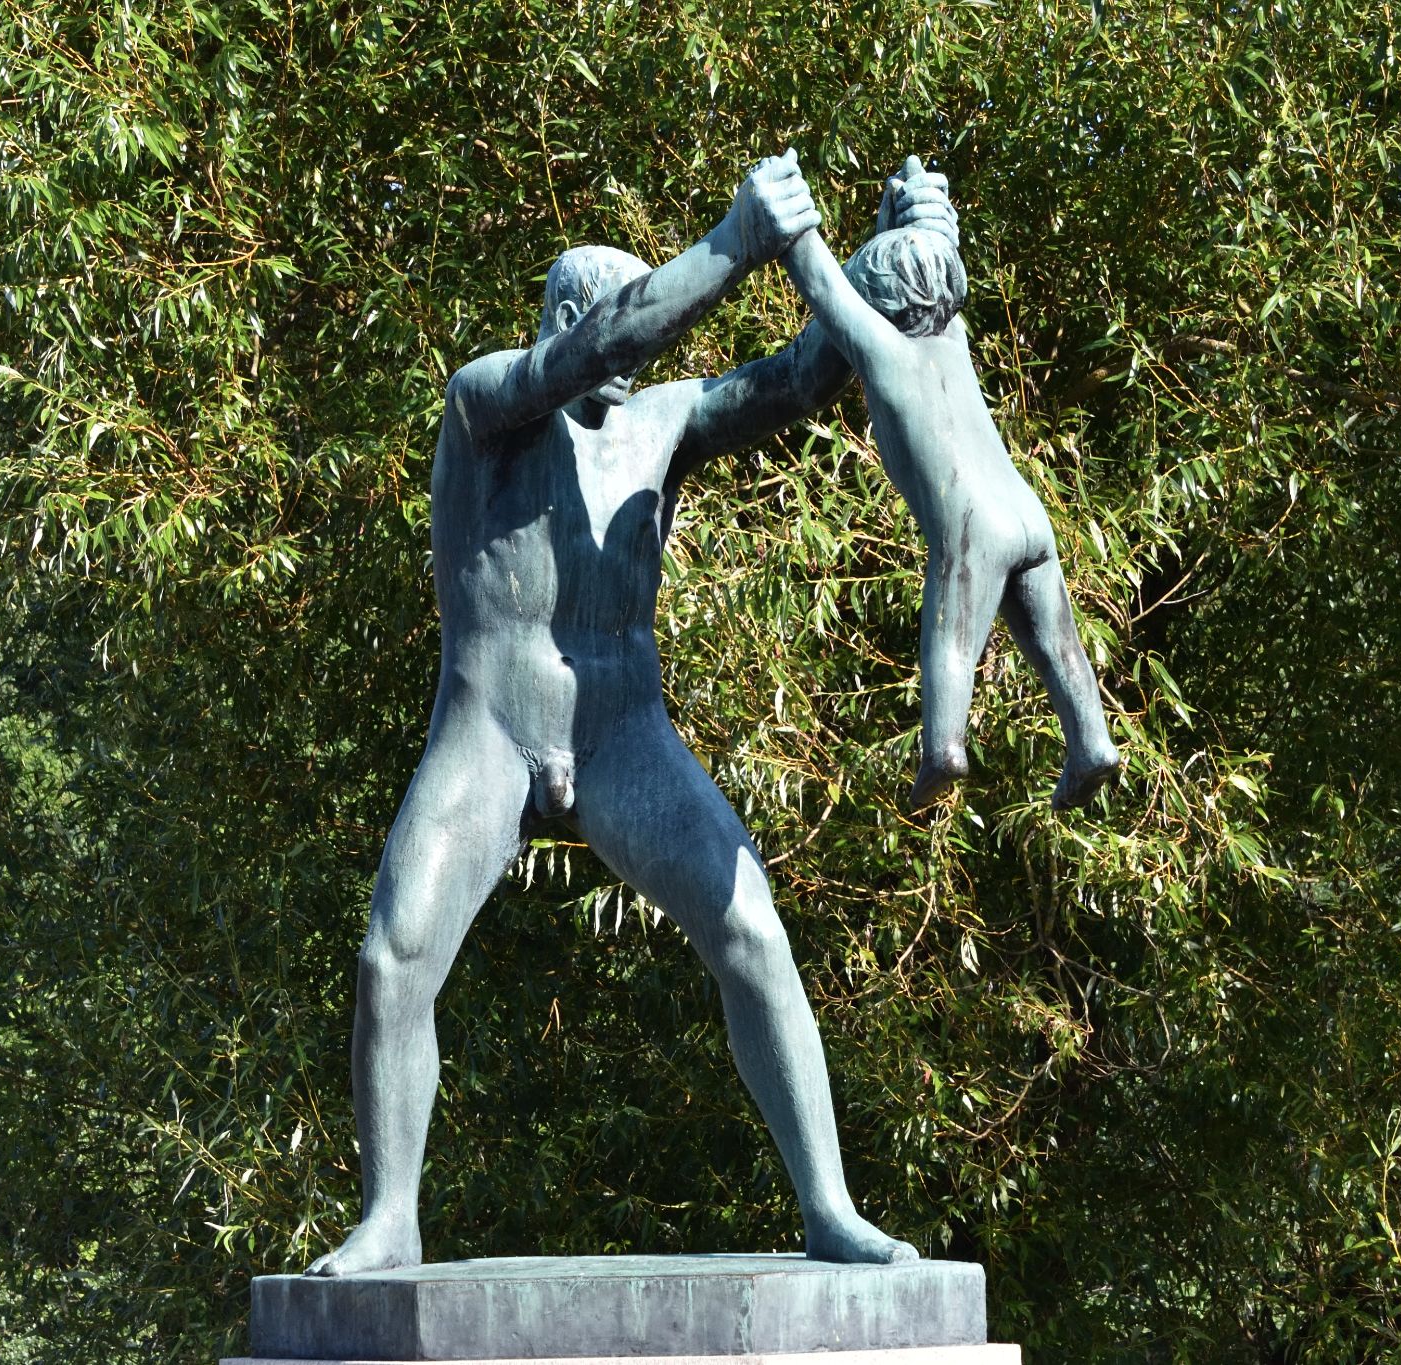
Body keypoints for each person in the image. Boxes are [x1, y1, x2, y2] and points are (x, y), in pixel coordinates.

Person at [306, 151, 959, 1276]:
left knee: (751, 930)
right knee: (391, 957)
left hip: (622, 733)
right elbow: (601, 346)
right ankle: (390, 1216)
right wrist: (730, 239)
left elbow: (806, 374)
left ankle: (828, 1206)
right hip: (489, 731)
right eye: (598, 313)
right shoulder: (488, 403)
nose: (621, 338)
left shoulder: (662, 424)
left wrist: (894, 257)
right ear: (562, 316)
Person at [782, 167, 1120, 811]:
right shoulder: (954, 337)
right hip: (1028, 515)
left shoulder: (885, 351)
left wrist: (789, 219)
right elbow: (935, 251)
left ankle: (942, 746)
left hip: (972, 526)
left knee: (952, 635)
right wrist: (913, 216)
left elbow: (823, 284)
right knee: (1055, 643)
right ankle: (1090, 741)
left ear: (879, 300)